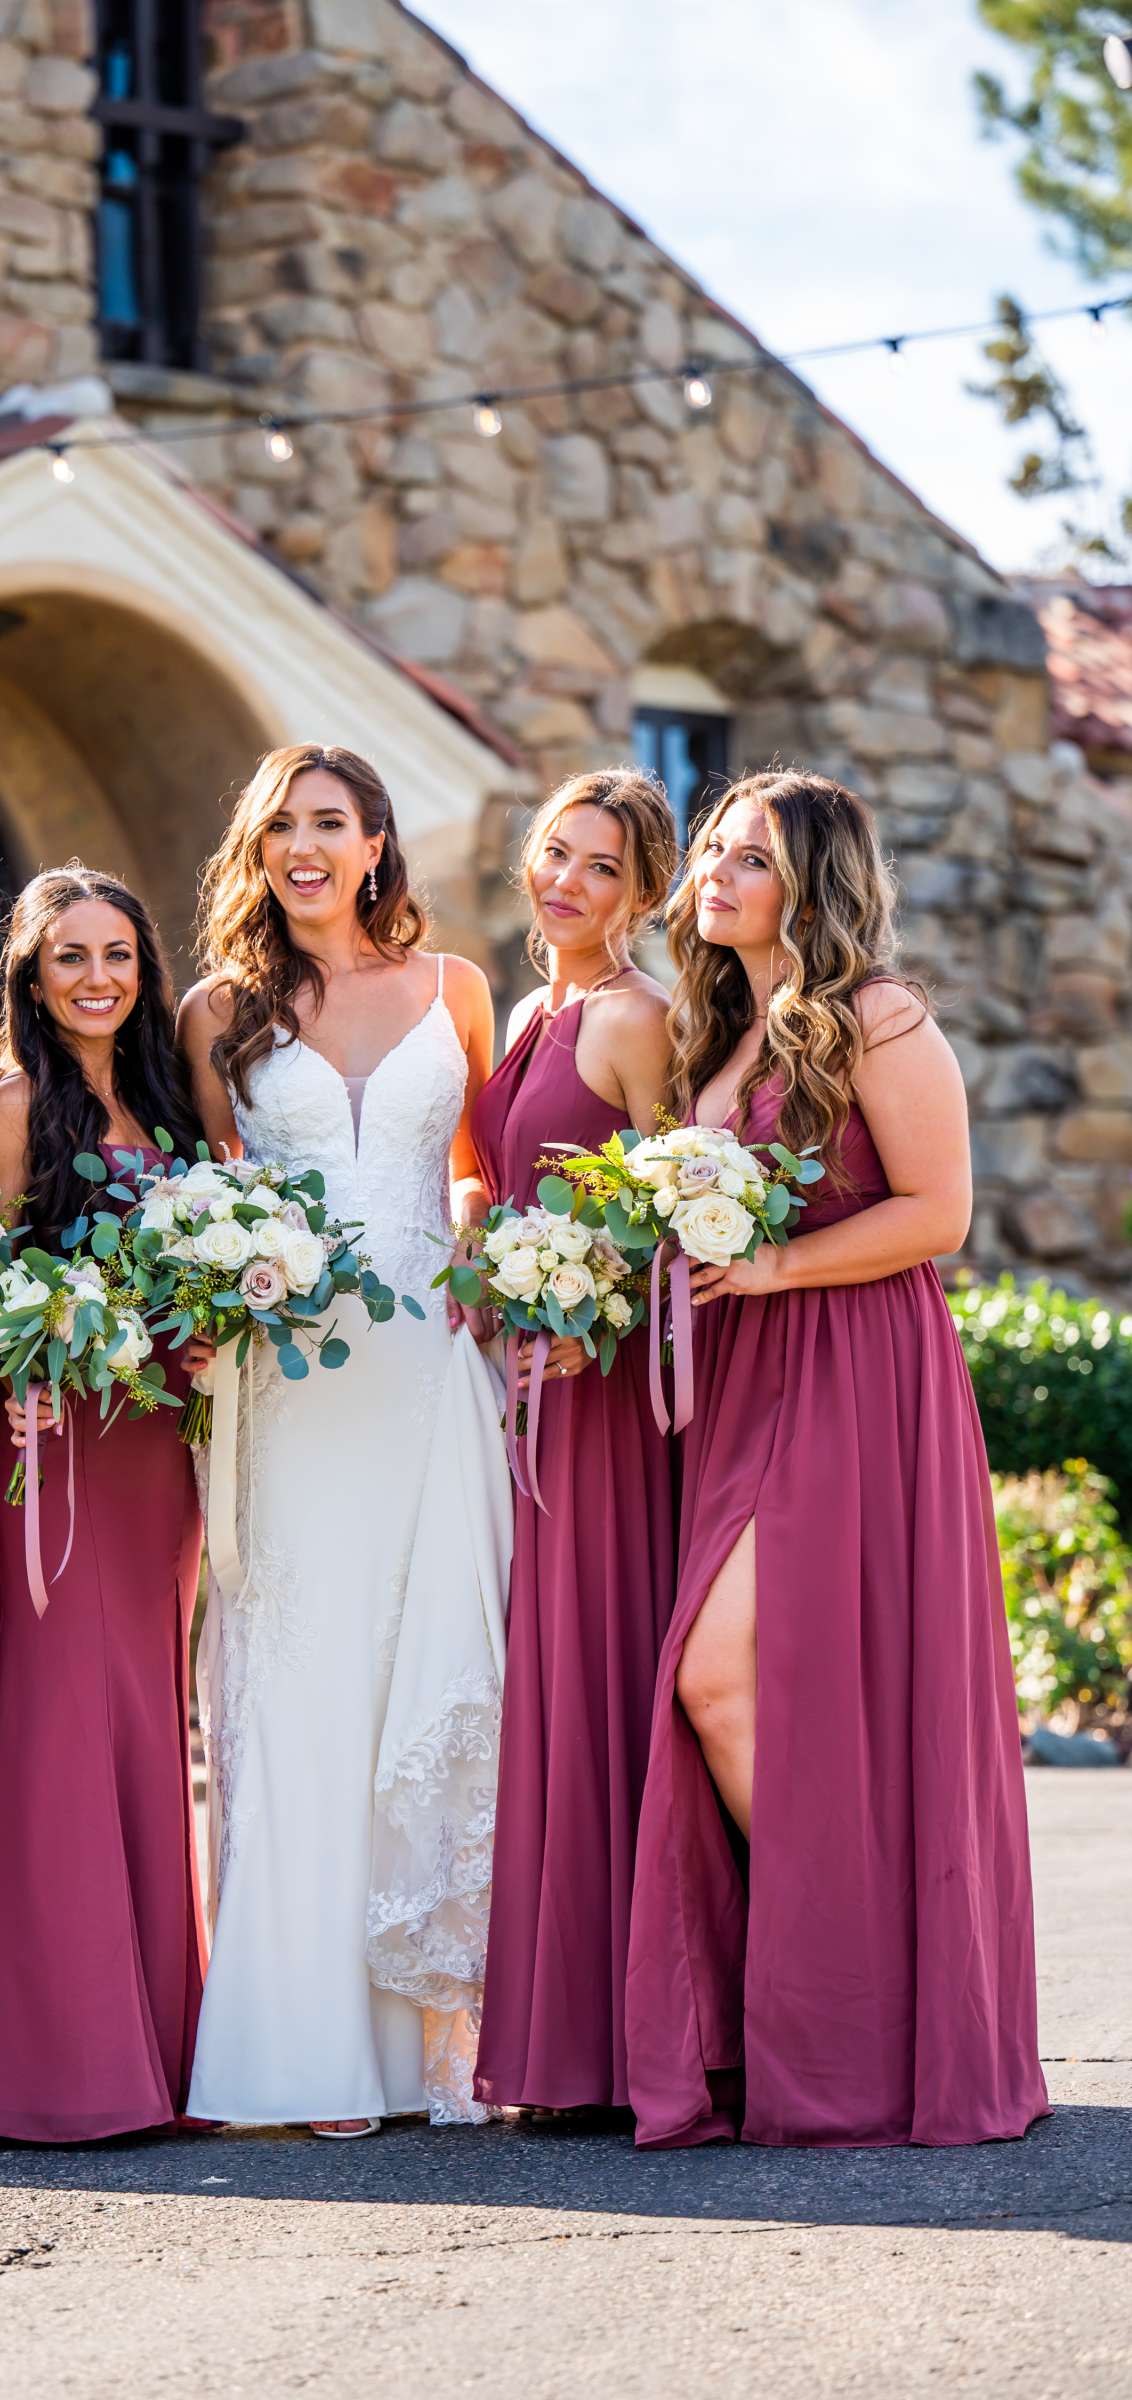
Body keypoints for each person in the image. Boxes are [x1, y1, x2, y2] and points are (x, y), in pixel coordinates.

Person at [624, 769, 1050, 2148]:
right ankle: (833, 1992)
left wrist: (776, 1263)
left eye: (750, 857)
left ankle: (860, 1994)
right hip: (749, 1373)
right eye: (712, 852)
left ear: (812, 880)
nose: (716, 876)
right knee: (755, 1685)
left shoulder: (878, 1014)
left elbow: (940, 1212)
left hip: (858, 1367)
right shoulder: (722, 1036)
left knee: (722, 1672)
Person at [179, 743, 493, 2134]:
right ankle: (300, 2047)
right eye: (279, 827)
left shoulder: (458, 990)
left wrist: (481, 1264)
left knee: (420, 1677)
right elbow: (207, 1196)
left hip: (433, 1375)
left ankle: (434, 2042)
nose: (303, 847)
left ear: (377, 844)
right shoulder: (218, 1011)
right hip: (294, 1387)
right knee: (299, 1687)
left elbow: (481, 1167)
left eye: (330, 824)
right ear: (256, 850)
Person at [0, 867, 207, 2143]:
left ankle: (154, 2047)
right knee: (61, 1714)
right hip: (61, 1447)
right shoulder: (15, 1109)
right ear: (33, 976)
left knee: (144, 1721)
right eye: (70, 958)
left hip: (160, 1443)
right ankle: (56, 2065)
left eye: (117, 953)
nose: (98, 977)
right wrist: (17, 1375)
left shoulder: (166, 1103)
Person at [465, 769, 679, 2118]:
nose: (569, 883)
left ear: (644, 893)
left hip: (597, 1410)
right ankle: (552, 2035)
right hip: (517, 1391)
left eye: (602, 868)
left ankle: (614, 2041)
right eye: (558, 853)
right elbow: (500, 1177)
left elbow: (676, 1210)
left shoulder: (634, 1019)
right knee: (535, 1689)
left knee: (589, 1684)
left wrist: (592, 1322)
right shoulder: (535, 1008)